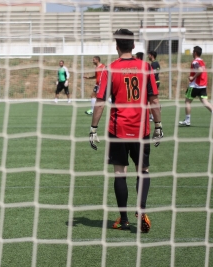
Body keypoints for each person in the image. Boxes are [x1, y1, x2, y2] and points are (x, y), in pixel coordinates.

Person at [89, 29, 163, 233]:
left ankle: (123, 220)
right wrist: (158, 126)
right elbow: (154, 100)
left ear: (116, 46)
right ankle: (141, 210)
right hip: (141, 128)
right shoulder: (146, 67)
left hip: (118, 129)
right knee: (143, 171)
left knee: (120, 173)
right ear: (133, 46)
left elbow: (101, 102)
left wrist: (93, 128)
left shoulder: (111, 69)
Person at [179, 46, 213, 126]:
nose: (192, 53)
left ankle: (187, 120)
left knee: (187, 101)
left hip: (194, 86)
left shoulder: (195, 62)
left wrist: (192, 77)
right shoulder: (202, 61)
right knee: (205, 102)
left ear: (195, 53)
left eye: (193, 51)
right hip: (202, 85)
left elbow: (200, 70)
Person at [147, 51, 160, 121]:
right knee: (152, 99)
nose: (148, 56)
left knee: (149, 100)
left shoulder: (154, 64)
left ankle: (152, 115)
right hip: (156, 82)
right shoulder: (155, 63)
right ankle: (153, 114)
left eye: (149, 55)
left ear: (151, 55)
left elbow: (154, 74)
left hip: (154, 82)